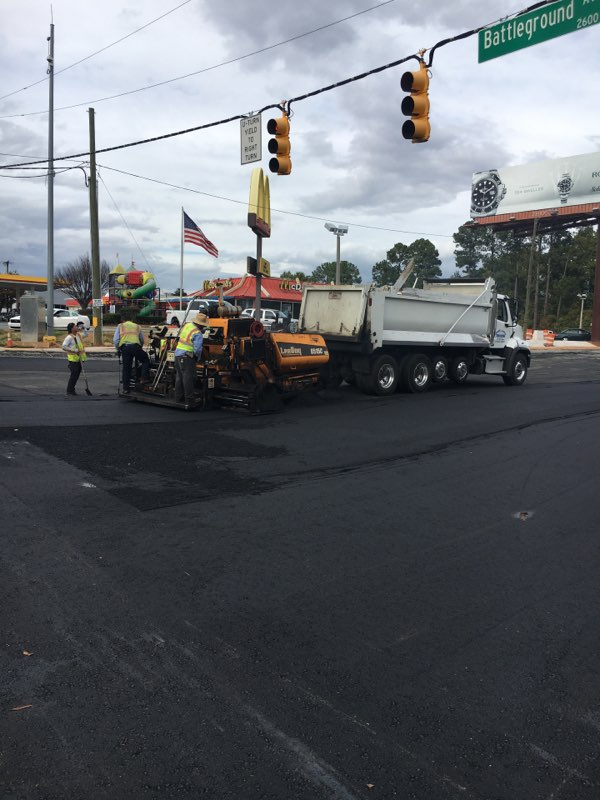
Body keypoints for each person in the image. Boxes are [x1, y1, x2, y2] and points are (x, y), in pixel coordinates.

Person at [174, 312, 209, 404]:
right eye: (203, 326)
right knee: (188, 378)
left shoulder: (187, 325)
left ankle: (178, 398)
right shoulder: (197, 333)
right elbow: (198, 350)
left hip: (177, 354)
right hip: (187, 356)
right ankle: (189, 400)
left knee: (179, 377)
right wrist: (198, 359)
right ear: (200, 324)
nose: (203, 327)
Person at [113, 319, 150, 394]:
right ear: (132, 320)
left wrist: (118, 349)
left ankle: (126, 389)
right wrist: (140, 347)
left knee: (126, 368)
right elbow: (142, 340)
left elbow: (116, 340)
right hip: (136, 347)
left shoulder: (120, 326)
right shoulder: (137, 326)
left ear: (123, 320)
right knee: (145, 360)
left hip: (125, 348)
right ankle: (143, 378)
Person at [61, 321, 87, 396]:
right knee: (73, 376)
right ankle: (69, 391)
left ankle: (72, 390)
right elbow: (64, 346)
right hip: (73, 360)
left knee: (76, 376)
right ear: (72, 329)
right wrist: (74, 350)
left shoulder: (78, 335)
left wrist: (84, 328)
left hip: (79, 359)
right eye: (75, 326)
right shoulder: (69, 337)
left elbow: (86, 334)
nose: (77, 327)